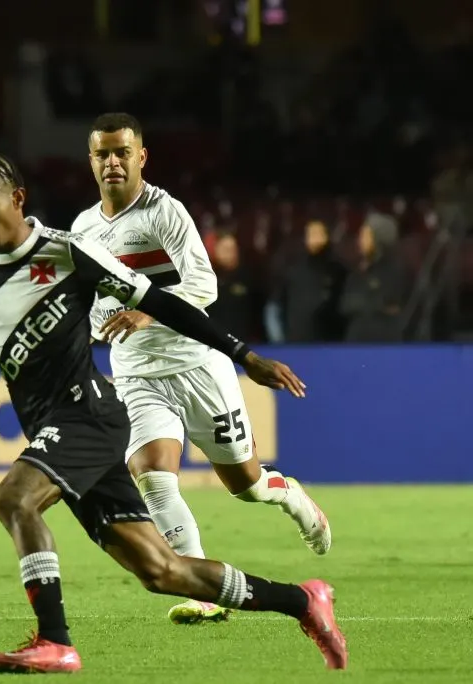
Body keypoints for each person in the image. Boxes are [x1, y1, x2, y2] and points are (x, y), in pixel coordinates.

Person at [0, 153, 347, 673]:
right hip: (56, 429)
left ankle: (55, 641)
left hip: (89, 416)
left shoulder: (69, 253)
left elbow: (166, 303)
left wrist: (246, 356)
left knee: (14, 500)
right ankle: (304, 601)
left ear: (16, 199)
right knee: (162, 571)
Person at [71, 113, 332, 625]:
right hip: (136, 373)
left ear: (141, 157)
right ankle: (202, 591)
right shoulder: (82, 228)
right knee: (151, 476)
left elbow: (204, 287)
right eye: (103, 153)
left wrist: (148, 310)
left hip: (196, 365)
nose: (112, 162)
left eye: (122, 152)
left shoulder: (164, 212)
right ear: (91, 161)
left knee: (246, 484)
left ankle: (291, 496)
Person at [273, 219, 347, 342]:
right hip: (297, 341)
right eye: (311, 234)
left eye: (318, 234)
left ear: (327, 237)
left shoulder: (338, 270)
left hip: (329, 342)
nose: (314, 239)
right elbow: (280, 305)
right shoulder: (294, 269)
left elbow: (342, 309)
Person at [340, 213, 406, 342]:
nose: (360, 240)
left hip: (383, 342)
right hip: (356, 341)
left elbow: (389, 303)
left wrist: (370, 304)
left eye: (366, 235)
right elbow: (345, 305)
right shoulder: (356, 271)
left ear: (379, 238)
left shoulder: (393, 270)